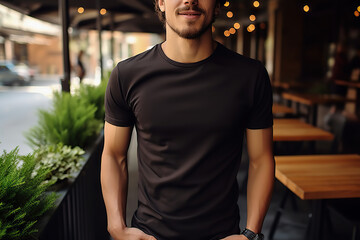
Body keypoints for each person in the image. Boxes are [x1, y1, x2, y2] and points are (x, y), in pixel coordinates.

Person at [101, 0, 275, 240]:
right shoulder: (127, 75)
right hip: (149, 234)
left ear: (216, 5)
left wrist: (251, 233)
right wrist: (116, 227)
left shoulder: (250, 75)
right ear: (161, 2)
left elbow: (261, 159)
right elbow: (113, 154)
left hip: (221, 234)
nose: (190, 0)